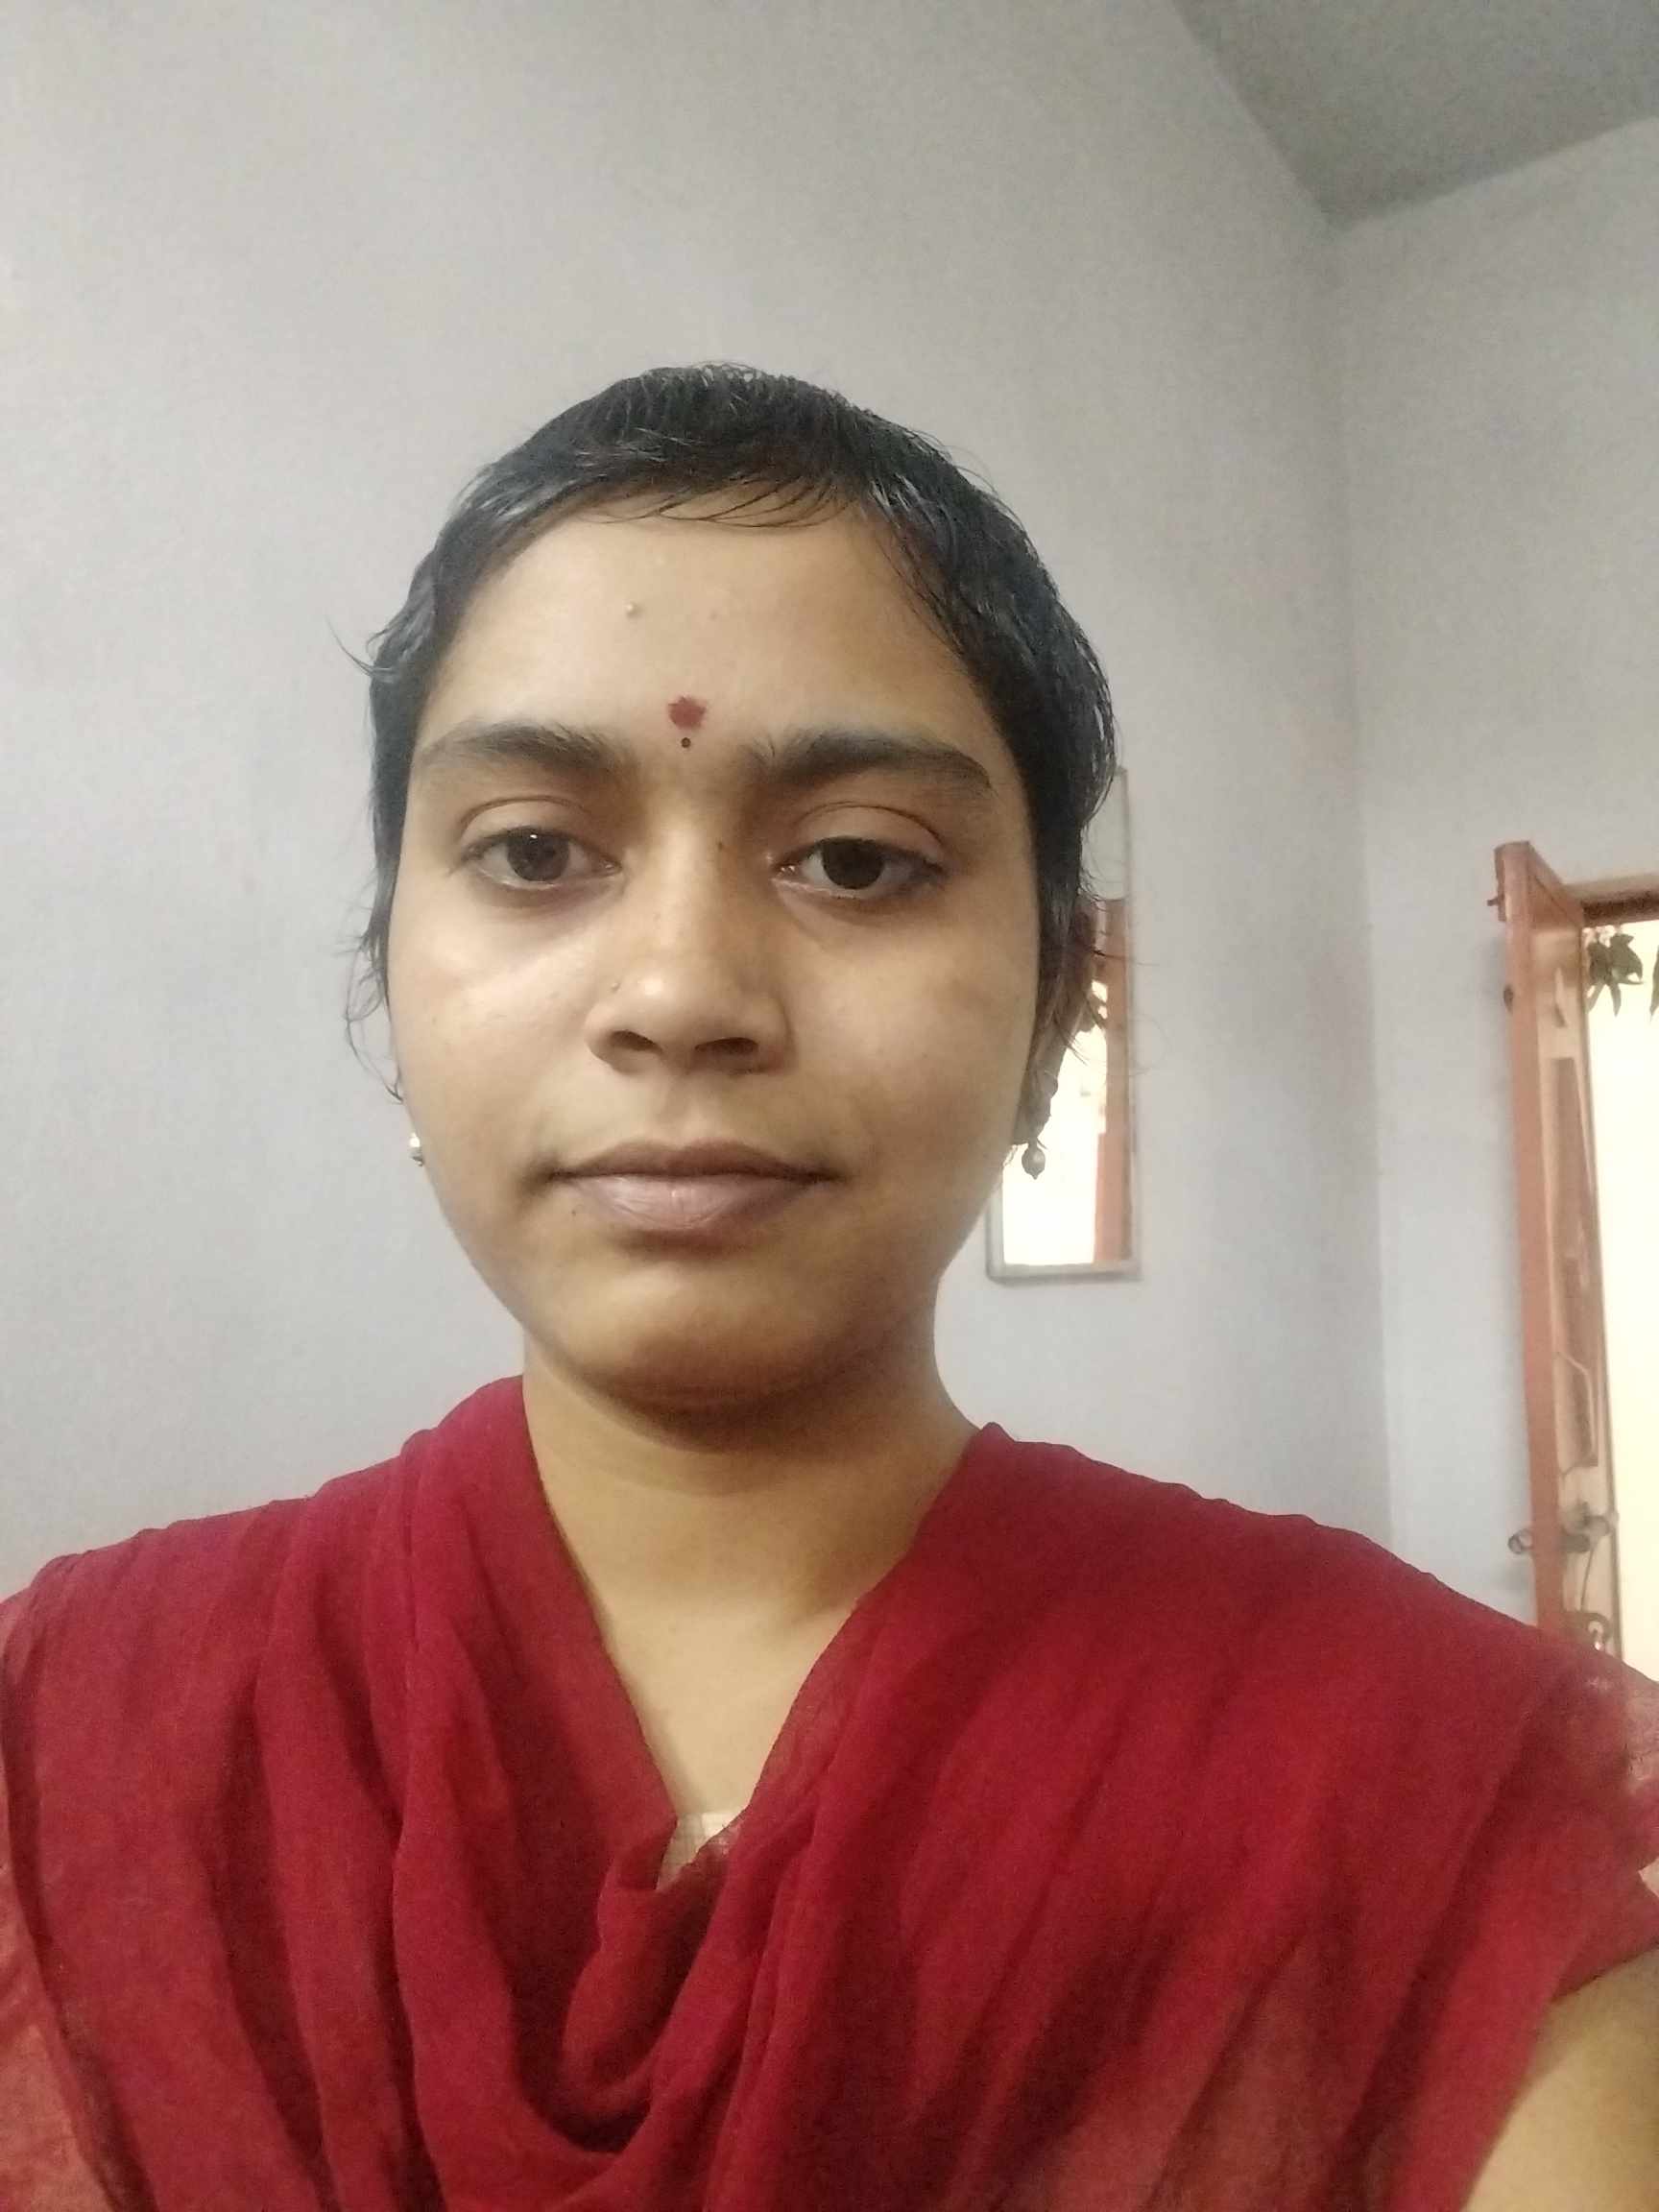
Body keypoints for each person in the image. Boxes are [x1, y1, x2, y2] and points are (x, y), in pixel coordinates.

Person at [1, 365, 1654, 2212]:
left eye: (857, 861)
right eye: (535, 852)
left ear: (1057, 1008)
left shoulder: (1412, 1785)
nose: (681, 993)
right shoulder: (72, 1738)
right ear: (389, 972)